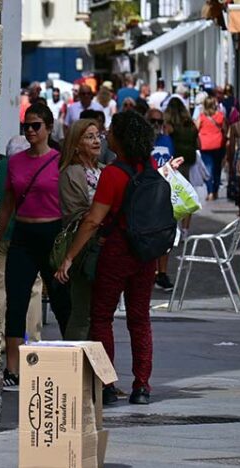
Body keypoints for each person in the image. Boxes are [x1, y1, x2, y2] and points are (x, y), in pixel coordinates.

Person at [55, 111, 180, 406]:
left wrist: (69, 257)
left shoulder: (112, 173)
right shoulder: (149, 168)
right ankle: (142, 386)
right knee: (140, 319)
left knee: (101, 317)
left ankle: (108, 383)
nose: (105, 135)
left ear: (121, 138)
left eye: (111, 131)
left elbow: (92, 220)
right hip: (146, 255)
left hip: (117, 251)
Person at [0, 103, 72, 390]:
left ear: (49, 128)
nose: (30, 130)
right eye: (26, 126)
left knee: (63, 302)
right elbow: (7, 205)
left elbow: (70, 201)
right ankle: (12, 368)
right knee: (16, 302)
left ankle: (72, 361)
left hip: (52, 234)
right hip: (23, 235)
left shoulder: (60, 161)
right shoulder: (15, 162)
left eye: (35, 125)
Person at [0, 135, 44, 348]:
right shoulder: (31, 169)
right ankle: (33, 337)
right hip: (27, 233)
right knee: (34, 286)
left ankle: (0, 339)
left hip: (1, 236)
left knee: (0, 285)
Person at [58, 119, 103, 340]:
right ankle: (73, 366)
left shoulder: (102, 170)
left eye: (97, 135)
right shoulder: (71, 173)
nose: (96, 141)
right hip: (84, 248)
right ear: (76, 144)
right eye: (89, 137)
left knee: (99, 314)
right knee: (82, 313)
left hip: (104, 246)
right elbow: (74, 214)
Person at [147, 108, 176, 291]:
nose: (156, 125)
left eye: (159, 122)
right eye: (153, 121)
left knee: (166, 234)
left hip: (165, 191)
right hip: (148, 192)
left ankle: (162, 273)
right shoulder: (143, 142)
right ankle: (150, 272)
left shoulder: (167, 140)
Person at [165, 97, 199, 238]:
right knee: (186, 193)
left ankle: (173, 227)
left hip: (174, 160)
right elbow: (197, 143)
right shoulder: (190, 124)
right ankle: (185, 229)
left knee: (171, 194)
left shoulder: (169, 125)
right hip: (189, 160)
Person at [197, 97, 227, 201]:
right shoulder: (220, 116)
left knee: (207, 169)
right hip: (218, 145)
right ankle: (215, 191)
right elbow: (225, 130)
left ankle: (210, 192)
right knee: (217, 169)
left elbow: (195, 129)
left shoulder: (201, 117)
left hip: (205, 146)